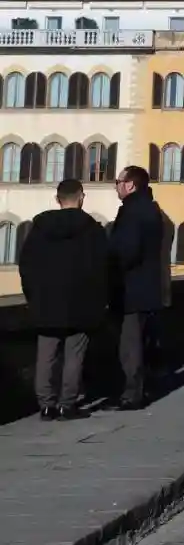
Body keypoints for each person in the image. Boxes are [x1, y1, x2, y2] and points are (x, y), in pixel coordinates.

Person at [19, 179, 109, 420]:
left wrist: (33, 296)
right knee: (74, 355)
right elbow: (103, 269)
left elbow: (26, 266)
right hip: (82, 303)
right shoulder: (93, 230)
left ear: (57, 199)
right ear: (81, 197)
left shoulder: (39, 229)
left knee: (46, 355)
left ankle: (46, 405)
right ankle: (66, 405)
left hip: (46, 303)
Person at [107, 164, 166, 411]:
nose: (116, 187)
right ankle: (141, 388)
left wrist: (110, 267)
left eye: (119, 182)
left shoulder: (132, 212)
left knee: (129, 345)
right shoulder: (152, 210)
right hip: (148, 287)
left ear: (130, 185)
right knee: (141, 342)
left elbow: (126, 251)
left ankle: (132, 395)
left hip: (131, 288)